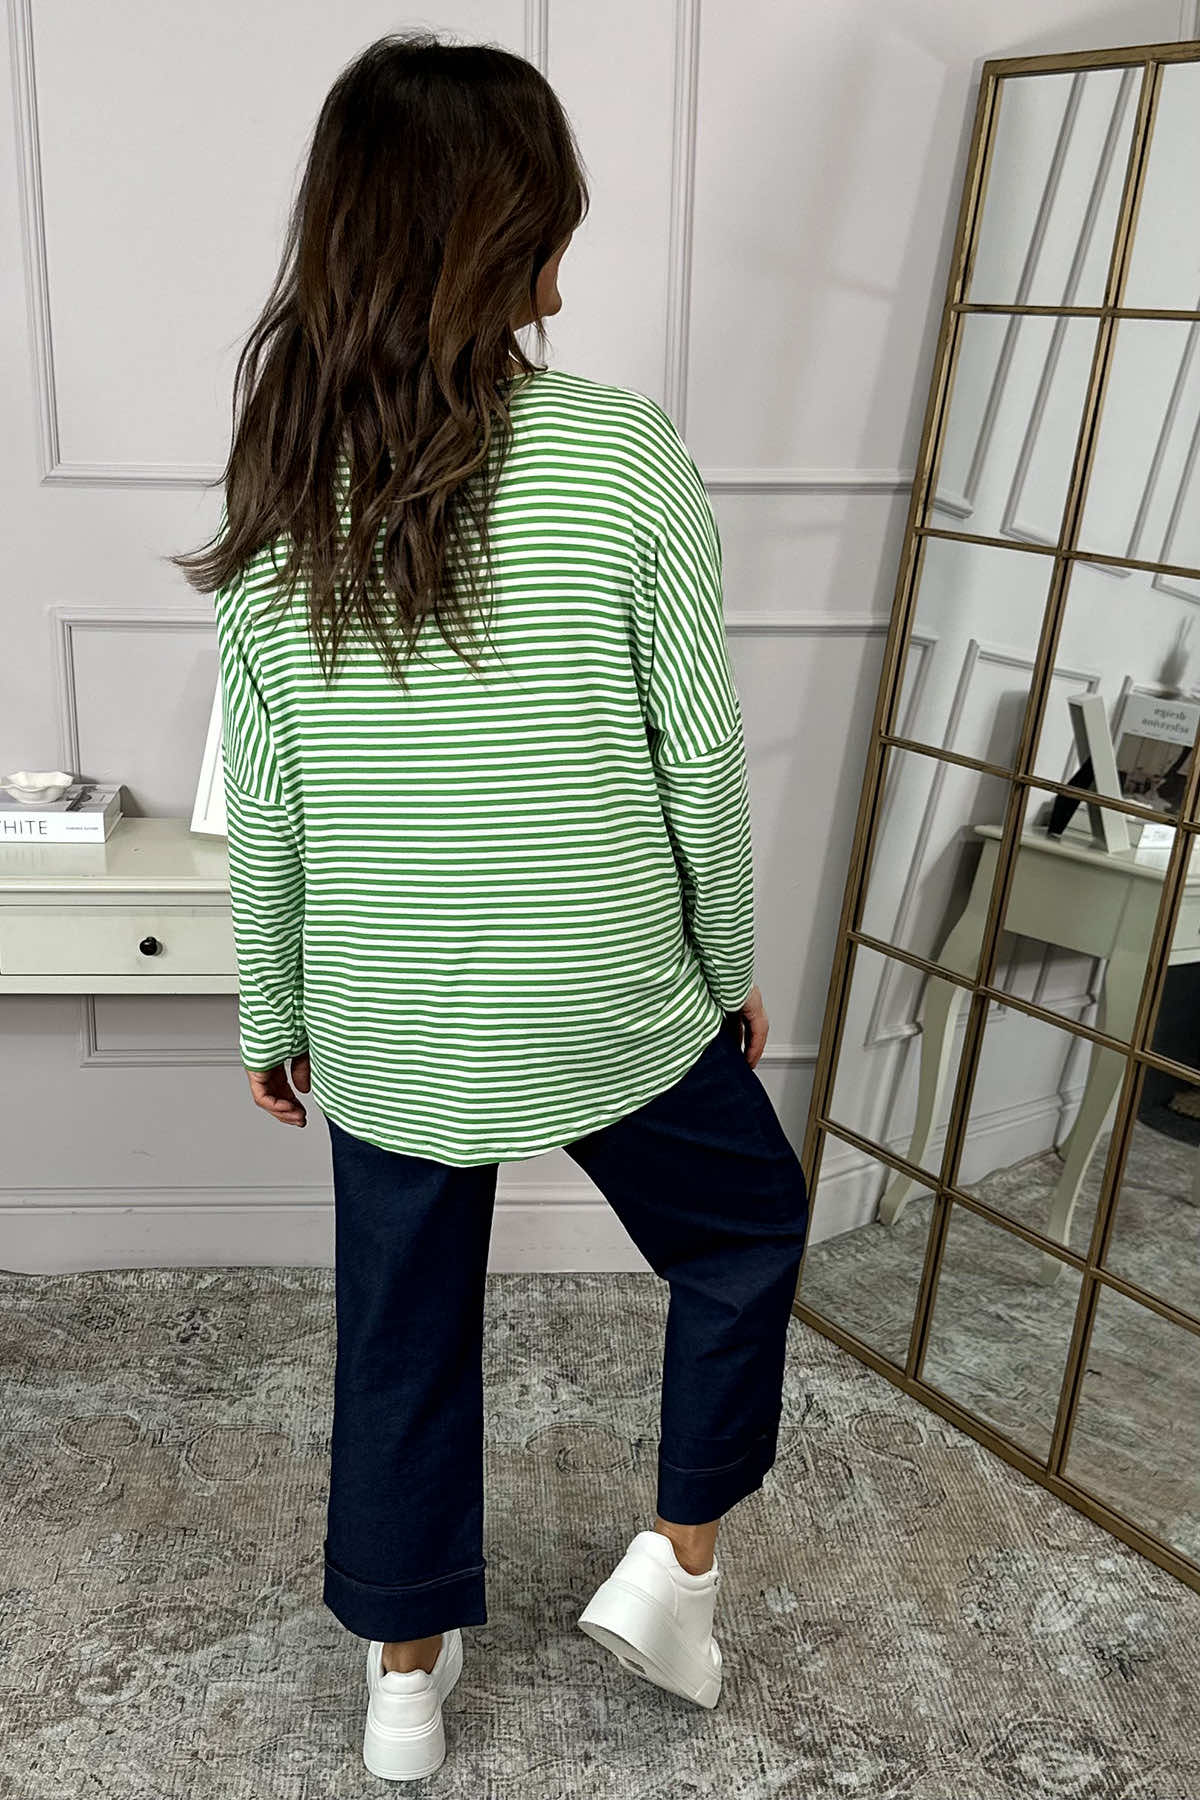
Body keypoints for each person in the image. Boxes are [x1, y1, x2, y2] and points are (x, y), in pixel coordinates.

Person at [173, 30, 809, 1783]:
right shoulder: (620, 455)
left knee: (399, 1330)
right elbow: (697, 749)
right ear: (485, 239)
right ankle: (677, 1571)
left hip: (388, 1006)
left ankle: (402, 1676)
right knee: (747, 1230)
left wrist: (274, 1010)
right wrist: (725, 966)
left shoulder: (281, 487)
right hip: (604, 984)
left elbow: (271, 798)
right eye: (547, 227)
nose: (565, 268)